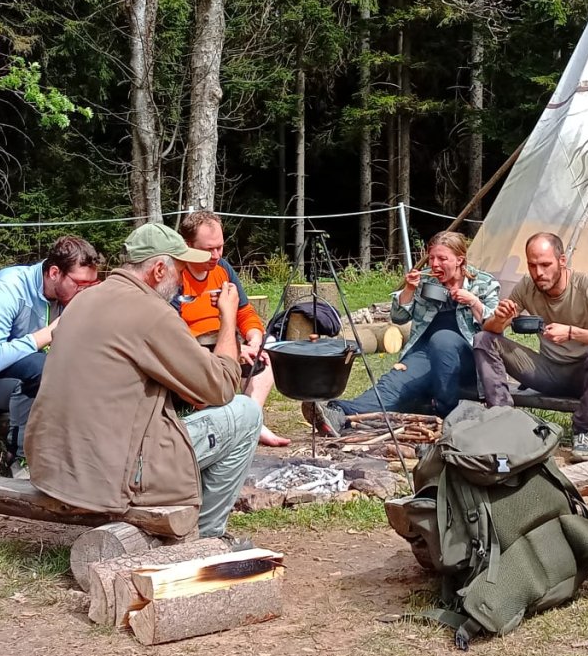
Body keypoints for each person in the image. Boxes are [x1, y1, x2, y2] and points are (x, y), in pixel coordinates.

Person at [25, 223, 261, 540]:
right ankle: (206, 538)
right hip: (109, 478)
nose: (183, 279)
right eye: (180, 269)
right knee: (246, 413)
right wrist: (228, 318)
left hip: (52, 468)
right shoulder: (152, 312)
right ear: (159, 270)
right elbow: (221, 387)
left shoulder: (83, 300)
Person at [304, 230, 500, 435]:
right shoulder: (426, 281)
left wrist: (473, 302)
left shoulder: (484, 283)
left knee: (443, 339)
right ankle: (338, 413)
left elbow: (495, 326)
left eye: (442, 259)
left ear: (460, 260)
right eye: (431, 258)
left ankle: (446, 415)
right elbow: (398, 318)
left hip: (467, 359)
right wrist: (409, 290)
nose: (435, 264)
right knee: (392, 385)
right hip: (425, 355)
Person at [473, 231, 588, 460]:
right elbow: (492, 330)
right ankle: (504, 420)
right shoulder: (527, 286)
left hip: (585, 375)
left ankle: (585, 431)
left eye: (545, 265)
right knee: (483, 339)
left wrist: (572, 333)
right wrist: (499, 318)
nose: (539, 272)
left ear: (562, 261)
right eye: (532, 265)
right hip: (547, 371)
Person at [0, 235, 103, 469]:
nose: (84, 292)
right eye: (80, 284)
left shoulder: (67, 296)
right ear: (55, 273)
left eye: (91, 285)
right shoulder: (8, 287)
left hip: (26, 378)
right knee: (41, 368)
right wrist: (49, 332)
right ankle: (20, 459)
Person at [176, 210, 290, 448]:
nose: (216, 255)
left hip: (227, 340)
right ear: (188, 245)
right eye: (208, 249)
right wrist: (236, 349)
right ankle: (238, 422)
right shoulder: (176, 276)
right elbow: (174, 335)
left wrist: (254, 337)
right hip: (195, 350)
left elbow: (245, 312)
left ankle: (251, 418)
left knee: (268, 351)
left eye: (220, 247)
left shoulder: (223, 269)